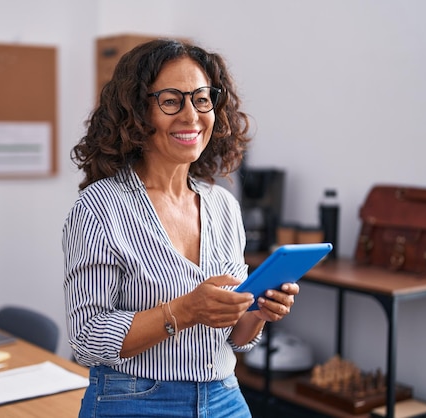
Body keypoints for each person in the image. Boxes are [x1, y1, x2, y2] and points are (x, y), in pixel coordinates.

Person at [62, 39, 300, 418]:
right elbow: (88, 339)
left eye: (202, 99)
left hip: (224, 397)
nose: (191, 116)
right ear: (138, 112)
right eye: (171, 100)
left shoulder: (223, 206)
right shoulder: (99, 207)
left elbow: (234, 339)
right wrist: (185, 311)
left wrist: (258, 314)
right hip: (134, 400)